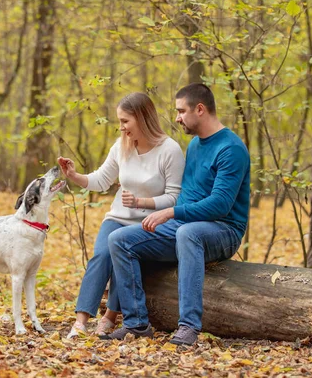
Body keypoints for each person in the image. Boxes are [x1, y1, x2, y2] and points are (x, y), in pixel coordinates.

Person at [101, 83, 250, 346]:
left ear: (200, 109)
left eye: (181, 111)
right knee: (119, 240)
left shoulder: (231, 149)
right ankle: (136, 323)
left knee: (188, 233)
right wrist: (160, 211)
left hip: (223, 229)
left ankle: (189, 326)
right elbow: (186, 194)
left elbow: (220, 205)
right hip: (185, 225)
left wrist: (170, 212)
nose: (177, 118)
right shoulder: (194, 145)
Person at [58, 92, 185, 339]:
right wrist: (74, 176)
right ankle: (81, 321)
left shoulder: (170, 150)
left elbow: (174, 198)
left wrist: (142, 202)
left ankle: (110, 316)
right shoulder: (122, 145)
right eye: (120, 121)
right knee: (102, 255)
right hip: (118, 218)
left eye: (125, 121)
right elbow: (101, 179)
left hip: (149, 224)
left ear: (142, 117)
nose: (121, 127)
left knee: (123, 255)